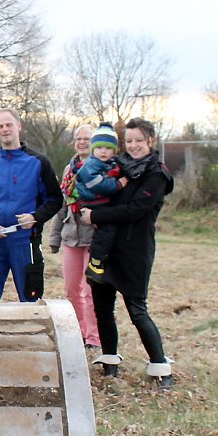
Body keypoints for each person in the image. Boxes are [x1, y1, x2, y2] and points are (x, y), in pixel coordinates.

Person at [79, 118, 175, 388]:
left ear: (150, 142)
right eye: (129, 141)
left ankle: (161, 368)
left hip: (134, 249)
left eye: (139, 141)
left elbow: (135, 210)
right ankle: (110, 364)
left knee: (137, 310)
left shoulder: (157, 175)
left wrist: (96, 215)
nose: (133, 146)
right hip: (105, 248)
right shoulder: (118, 166)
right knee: (103, 308)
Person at [0, 109, 63, 302]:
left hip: (26, 242)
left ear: (19, 127)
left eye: (9, 125)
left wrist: (35, 217)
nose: (5, 129)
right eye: (0, 126)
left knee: (31, 299)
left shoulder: (39, 162)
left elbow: (55, 199)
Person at [49, 124, 101, 349]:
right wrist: (54, 236)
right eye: (78, 138)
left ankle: (94, 337)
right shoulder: (68, 170)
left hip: (94, 236)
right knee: (72, 288)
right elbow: (63, 205)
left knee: (92, 290)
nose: (82, 142)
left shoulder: (103, 168)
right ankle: (78, 332)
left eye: (86, 138)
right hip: (71, 235)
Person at [77, 122, 128, 281]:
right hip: (93, 202)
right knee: (107, 229)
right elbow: (96, 184)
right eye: (99, 148)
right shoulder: (91, 164)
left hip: (100, 201)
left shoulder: (107, 163)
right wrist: (118, 184)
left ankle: (99, 259)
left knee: (109, 229)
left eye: (107, 148)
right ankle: (95, 261)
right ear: (93, 149)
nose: (103, 151)